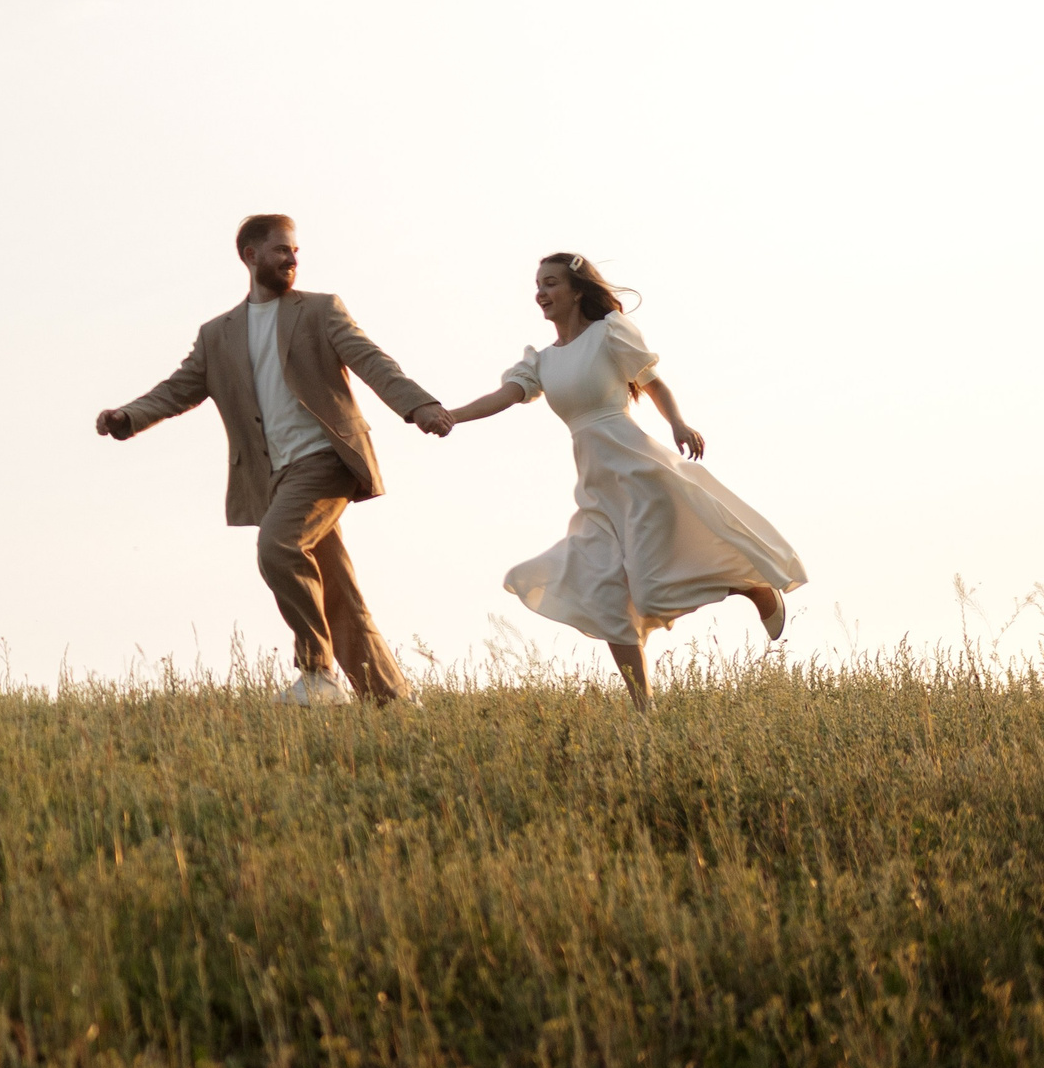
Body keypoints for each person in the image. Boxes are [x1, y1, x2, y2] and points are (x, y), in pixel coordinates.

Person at [95, 214, 454, 706]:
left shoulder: (320, 311)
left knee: (277, 547)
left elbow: (372, 360)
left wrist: (417, 405)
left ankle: (316, 671)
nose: (292, 258)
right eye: (282, 250)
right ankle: (393, 705)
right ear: (250, 255)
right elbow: (179, 389)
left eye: (295, 251)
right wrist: (128, 416)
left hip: (326, 458)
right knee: (337, 595)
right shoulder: (218, 335)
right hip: (275, 477)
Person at [443, 253, 808, 711]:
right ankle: (644, 711)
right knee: (604, 592)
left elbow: (652, 383)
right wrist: (450, 416)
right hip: (596, 488)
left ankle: (750, 586)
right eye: (537, 284)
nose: (541, 292)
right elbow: (502, 397)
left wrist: (677, 423)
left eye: (551, 282)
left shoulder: (608, 333)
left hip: (640, 474)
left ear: (577, 290)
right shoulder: (540, 362)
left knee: (653, 589)